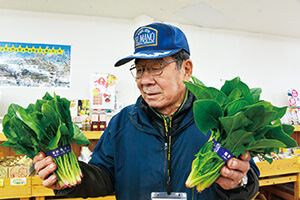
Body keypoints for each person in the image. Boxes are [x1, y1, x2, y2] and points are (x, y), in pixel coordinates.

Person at [33, 22, 260, 200]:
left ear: (186, 69)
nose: (145, 80)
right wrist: (70, 179)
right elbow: (103, 175)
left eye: (156, 68)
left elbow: (248, 181)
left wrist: (238, 182)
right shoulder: (121, 123)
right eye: (140, 70)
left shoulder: (218, 121)